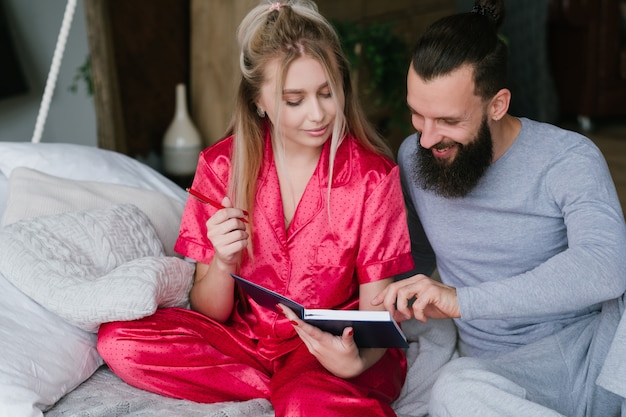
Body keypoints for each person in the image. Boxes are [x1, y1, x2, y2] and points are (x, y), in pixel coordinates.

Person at [97, 1, 414, 416]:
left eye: (326, 93)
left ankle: (302, 395)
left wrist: (354, 361)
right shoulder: (220, 166)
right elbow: (210, 310)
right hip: (246, 341)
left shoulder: (373, 176)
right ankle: (286, 392)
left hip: (338, 345)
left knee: (305, 400)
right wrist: (225, 262)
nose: (317, 114)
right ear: (258, 101)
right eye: (295, 100)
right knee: (119, 341)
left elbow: (378, 315)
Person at [372, 0, 626, 416]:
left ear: (497, 104)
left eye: (448, 121)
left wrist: (465, 300)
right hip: (498, 375)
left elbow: (605, 266)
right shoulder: (414, 157)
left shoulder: (568, 158)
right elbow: (409, 264)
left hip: (590, 357)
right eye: (417, 114)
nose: (427, 138)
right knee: (452, 391)